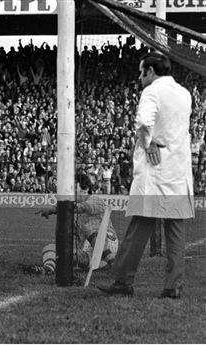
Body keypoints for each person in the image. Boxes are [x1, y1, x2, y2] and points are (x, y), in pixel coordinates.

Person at [98, 52, 194, 298]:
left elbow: (143, 123)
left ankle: (123, 281)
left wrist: (148, 143)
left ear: (151, 71)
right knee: (175, 230)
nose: (140, 78)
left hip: (155, 169)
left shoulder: (152, 92)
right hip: (178, 170)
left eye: (141, 72)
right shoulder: (185, 94)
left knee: (139, 226)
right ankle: (174, 286)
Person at [24, 174, 118, 275]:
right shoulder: (75, 213)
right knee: (51, 248)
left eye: (73, 188)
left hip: (105, 248)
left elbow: (80, 208)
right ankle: (48, 269)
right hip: (87, 251)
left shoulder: (95, 200)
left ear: (85, 188)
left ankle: (112, 261)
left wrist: (53, 209)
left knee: (88, 228)